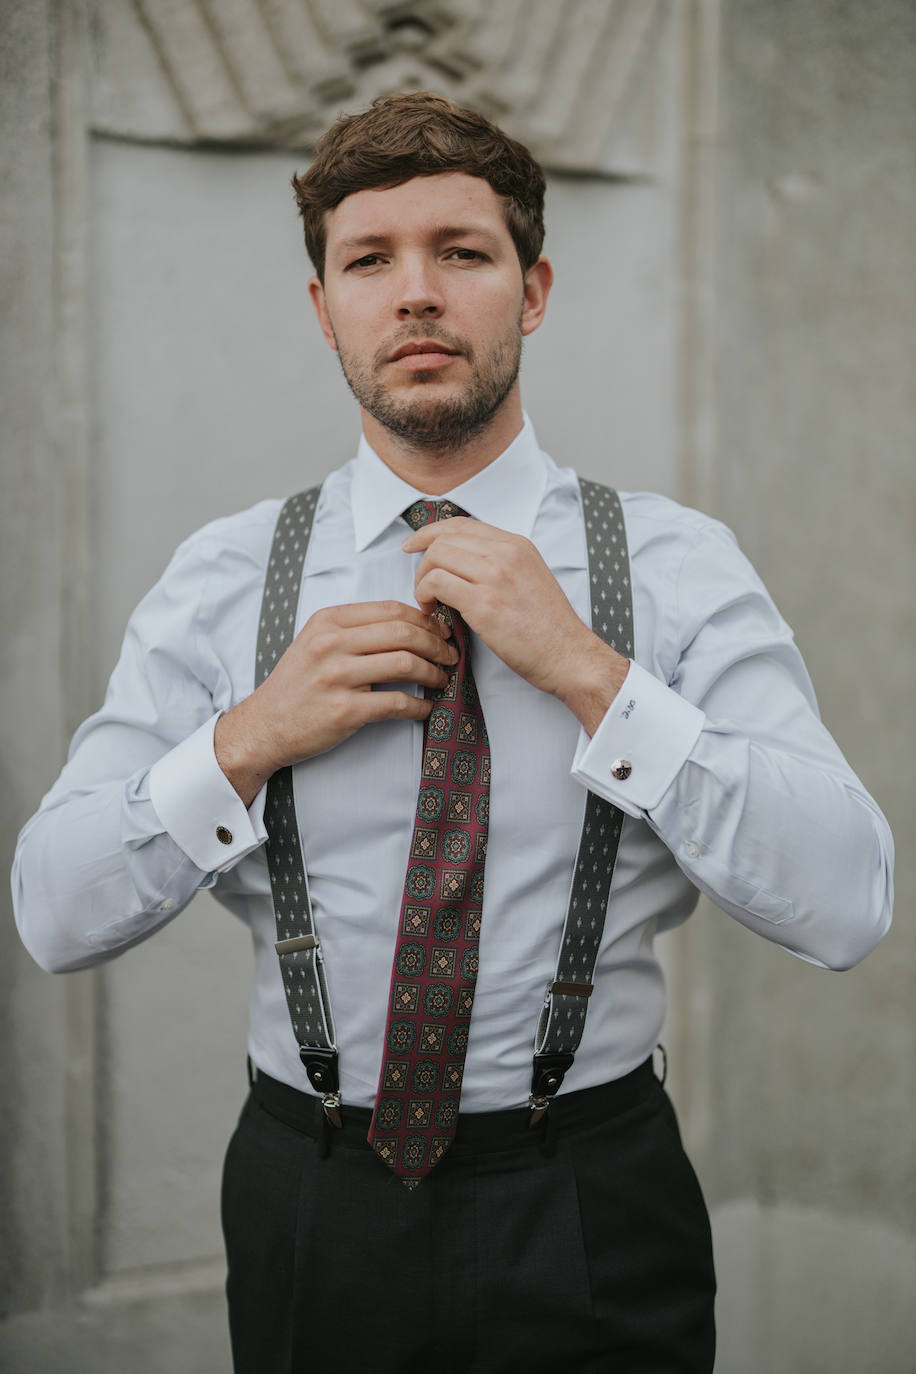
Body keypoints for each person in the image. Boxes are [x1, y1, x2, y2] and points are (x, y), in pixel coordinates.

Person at [13, 92, 893, 1373]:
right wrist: (248, 738)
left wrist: (595, 677)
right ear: (324, 309)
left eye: (461, 253)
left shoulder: (675, 566)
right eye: (369, 260)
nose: (414, 293)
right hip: (312, 1198)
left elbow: (846, 902)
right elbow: (53, 912)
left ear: (530, 291)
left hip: (595, 1194)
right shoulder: (225, 575)